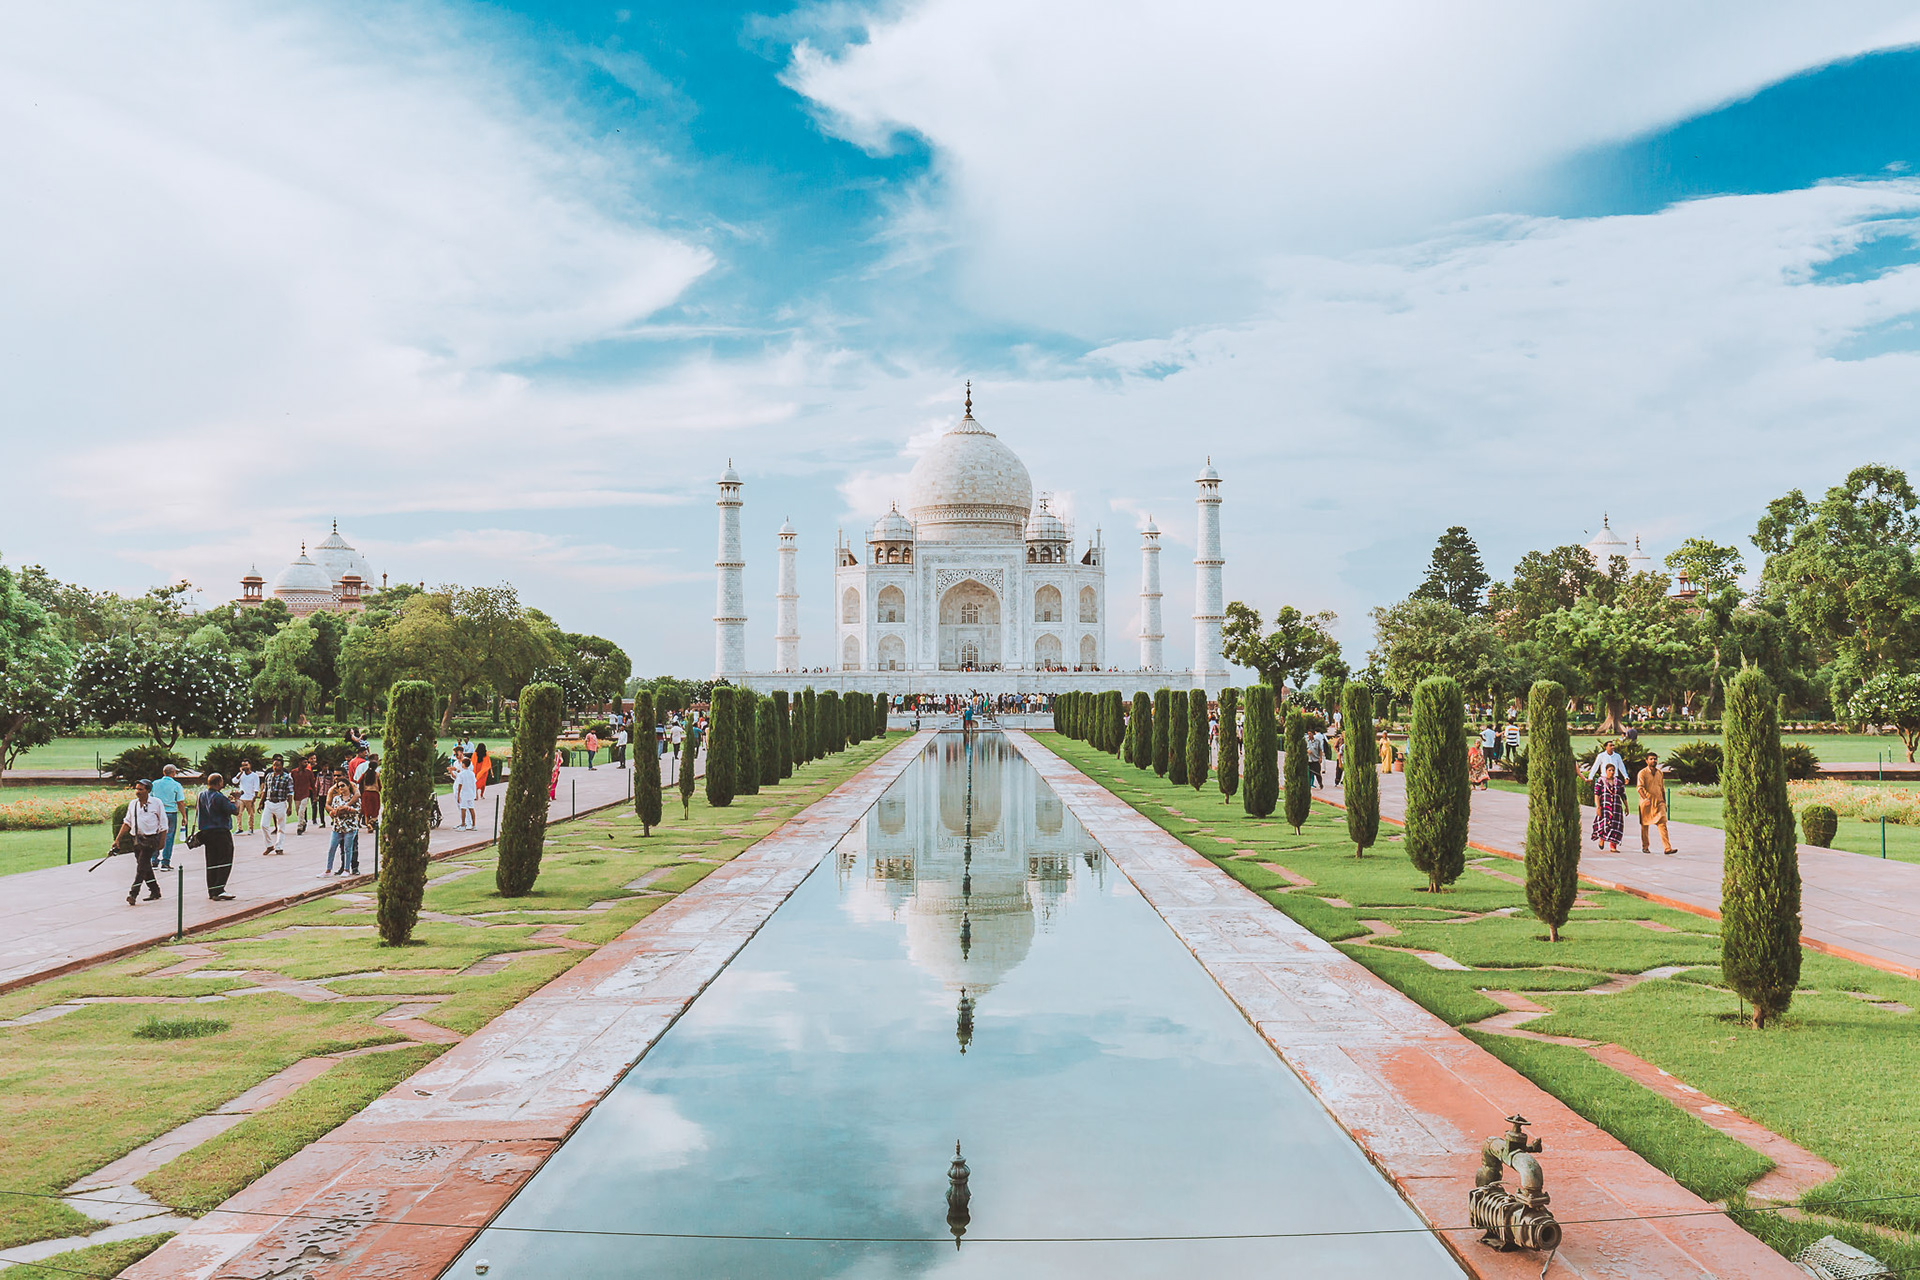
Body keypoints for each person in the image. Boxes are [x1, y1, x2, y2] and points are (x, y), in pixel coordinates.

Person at [118, 780, 169, 906]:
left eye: (141, 789)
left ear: (148, 790)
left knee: (141, 867)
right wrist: (117, 839)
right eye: (136, 789)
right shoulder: (133, 804)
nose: (137, 792)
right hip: (137, 839)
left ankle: (133, 893)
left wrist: (162, 841)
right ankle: (155, 890)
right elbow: (127, 822)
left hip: (151, 840)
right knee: (145, 866)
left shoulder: (156, 803)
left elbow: (163, 823)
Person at [197, 775, 239, 900]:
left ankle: (212, 890)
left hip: (207, 832)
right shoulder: (219, 797)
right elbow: (234, 810)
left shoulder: (202, 795)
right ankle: (220, 888)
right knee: (225, 860)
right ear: (219, 782)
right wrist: (236, 800)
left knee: (211, 861)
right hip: (220, 831)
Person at [1637, 753, 1677, 855]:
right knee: (1645, 825)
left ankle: (1667, 848)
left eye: (1655, 759)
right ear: (1646, 761)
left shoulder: (1659, 773)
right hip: (1646, 803)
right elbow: (1639, 788)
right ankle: (1645, 846)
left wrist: (1664, 802)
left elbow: (1662, 788)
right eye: (1651, 759)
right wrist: (1645, 798)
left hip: (1659, 802)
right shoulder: (1642, 773)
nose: (1653, 761)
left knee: (1662, 824)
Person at [151, 764, 185, 871]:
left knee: (156, 835)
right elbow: (180, 802)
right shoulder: (176, 785)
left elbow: (150, 798)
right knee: (169, 837)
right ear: (173, 773)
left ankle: (154, 860)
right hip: (170, 812)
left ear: (163, 772)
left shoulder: (155, 784)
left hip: (157, 813)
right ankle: (165, 862)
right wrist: (184, 816)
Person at [323, 777, 360, 875]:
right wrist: (334, 812)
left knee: (348, 849)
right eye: (339, 787)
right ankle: (328, 869)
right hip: (337, 827)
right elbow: (333, 809)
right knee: (332, 848)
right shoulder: (336, 798)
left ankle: (347, 869)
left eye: (343, 786)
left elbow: (358, 810)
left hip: (350, 827)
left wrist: (348, 809)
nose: (341, 788)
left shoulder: (354, 798)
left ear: (348, 786)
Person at [260, 755, 294, 854]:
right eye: (274, 765)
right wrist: (261, 802)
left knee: (281, 827)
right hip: (269, 802)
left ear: (282, 766)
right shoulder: (269, 776)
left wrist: (290, 807)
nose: (275, 767)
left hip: (280, 803)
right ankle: (269, 845)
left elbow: (290, 793)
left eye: (278, 765)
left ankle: (279, 847)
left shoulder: (287, 777)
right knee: (263, 825)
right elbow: (265, 790)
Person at [1591, 762, 1626, 853]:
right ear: (1606, 771)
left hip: (1616, 808)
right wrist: (1598, 807)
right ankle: (1602, 839)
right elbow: (1596, 794)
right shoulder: (1601, 781)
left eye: (1613, 770)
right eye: (1609, 770)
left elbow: (1623, 795)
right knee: (1605, 823)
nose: (1612, 772)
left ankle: (1613, 846)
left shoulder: (1618, 782)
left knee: (1615, 826)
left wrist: (1626, 806)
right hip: (1605, 807)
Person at [453, 753, 478, 831]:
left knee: (463, 809)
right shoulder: (472, 774)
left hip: (464, 794)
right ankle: (474, 825)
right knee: (471, 808)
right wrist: (475, 793)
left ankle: (463, 825)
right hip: (470, 793)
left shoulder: (461, 774)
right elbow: (474, 784)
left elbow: (460, 785)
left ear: (463, 765)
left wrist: (458, 795)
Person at [234, 760, 260, 834]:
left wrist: (254, 797)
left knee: (250, 814)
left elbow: (256, 787)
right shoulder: (241, 775)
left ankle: (250, 828)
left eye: (246, 765)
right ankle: (239, 828)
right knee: (238, 813)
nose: (245, 767)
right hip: (241, 797)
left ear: (250, 765)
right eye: (243, 765)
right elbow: (234, 781)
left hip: (250, 798)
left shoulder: (254, 775)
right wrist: (240, 773)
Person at [291, 756, 315, 834]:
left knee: (302, 810)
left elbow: (313, 784)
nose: (306, 764)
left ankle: (299, 827)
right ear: (300, 763)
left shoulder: (309, 772)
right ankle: (303, 822)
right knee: (298, 811)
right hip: (297, 794)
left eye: (306, 762)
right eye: (304, 762)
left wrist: (314, 795)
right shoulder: (294, 772)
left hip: (305, 794)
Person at [358, 754, 381, 829]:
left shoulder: (364, 775)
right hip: (375, 793)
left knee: (366, 811)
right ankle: (372, 822)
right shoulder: (377, 775)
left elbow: (359, 782)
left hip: (366, 793)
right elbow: (379, 785)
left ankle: (368, 824)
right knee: (375, 810)